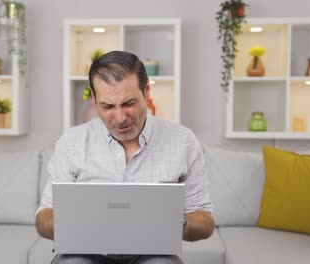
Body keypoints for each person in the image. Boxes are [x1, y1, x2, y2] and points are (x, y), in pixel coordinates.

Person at [36, 50, 214, 264]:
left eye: (129, 103)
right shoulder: (72, 141)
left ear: (146, 91)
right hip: (86, 252)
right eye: (108, 106)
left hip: (152, 253)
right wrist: (74, 222)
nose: (120, 118)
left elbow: (205, 223)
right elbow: (43, 218)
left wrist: (171, 221)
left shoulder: (183, 140)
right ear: (94, 99)